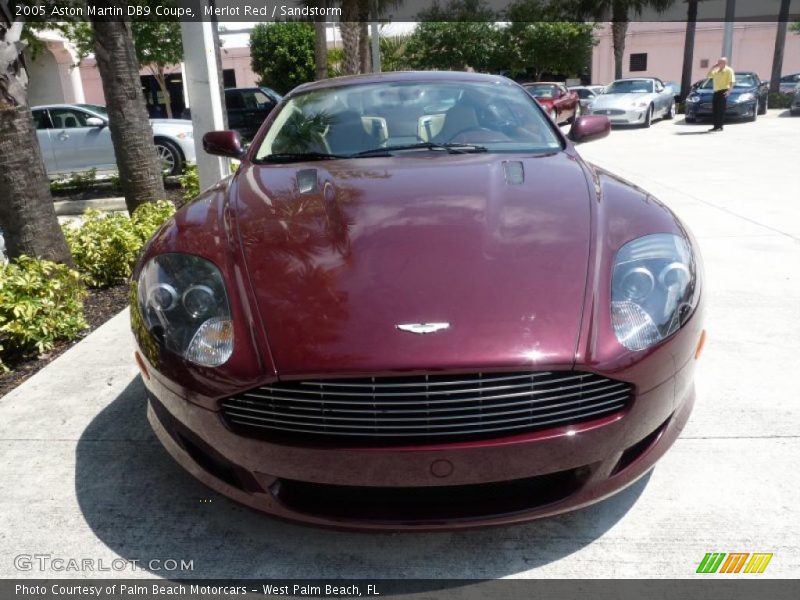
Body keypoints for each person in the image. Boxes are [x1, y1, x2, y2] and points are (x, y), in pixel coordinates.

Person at [707, 57, 735, 132]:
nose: (718, 63)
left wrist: (729, 91)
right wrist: (713, 67)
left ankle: (720, 126)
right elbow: (708, 76)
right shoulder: (716, 71)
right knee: (715, 109)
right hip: (716, 92)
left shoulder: (729, 70)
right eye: (718, 62)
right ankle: (715, 126)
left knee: (721, 110)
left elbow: (732, 81)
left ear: (725, 63)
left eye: (720, 62)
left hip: (724, 91)